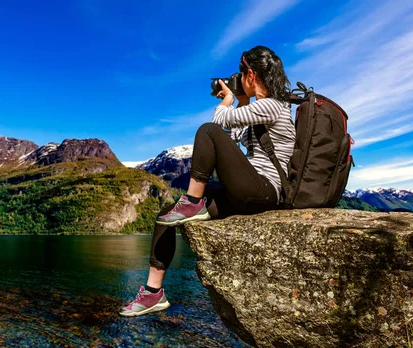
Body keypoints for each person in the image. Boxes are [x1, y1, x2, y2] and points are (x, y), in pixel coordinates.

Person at [119, 45, 296, 317]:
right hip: (249, 191)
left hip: (265, 191)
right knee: (166, 215)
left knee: (207, 130)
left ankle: (192, 201)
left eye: (240, 73)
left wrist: (227, 101)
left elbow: (220, 124)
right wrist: (241, 100)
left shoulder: (273, 106)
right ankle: (153, 294)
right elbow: (232, 136)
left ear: (250, 74)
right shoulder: (260, 109)